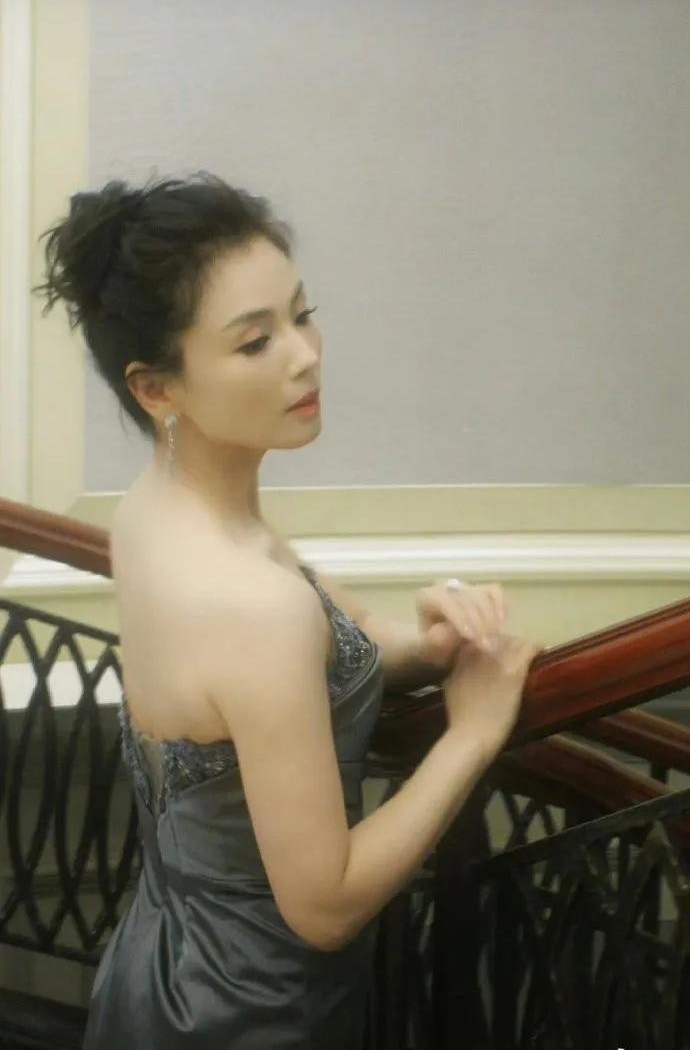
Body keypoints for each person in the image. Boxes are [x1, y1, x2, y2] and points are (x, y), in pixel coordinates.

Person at [34, 173, 540, 1049]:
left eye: (302, 315)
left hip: (167, 962)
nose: (304, 355)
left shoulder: (156, 511)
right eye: (255, 341)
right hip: (249, 1013)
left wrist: (426, 648)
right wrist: (473, 733)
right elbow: (324, 906)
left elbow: (309, 654)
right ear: (156, 389)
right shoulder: (248, 606)